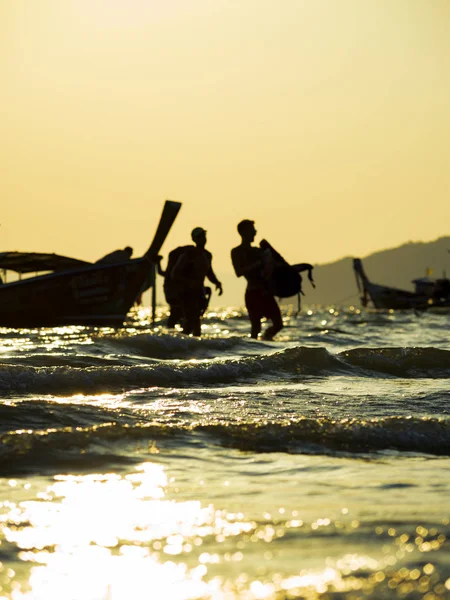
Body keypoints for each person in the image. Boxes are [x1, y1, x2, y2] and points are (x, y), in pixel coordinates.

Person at [231, 219, 283, 340]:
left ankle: (266, 342)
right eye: (252, 230)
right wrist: (258, 263)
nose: (255, 233)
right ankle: (253, 352)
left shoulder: (258, 251)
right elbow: (239, 272)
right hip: (252, 293)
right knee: (256, 328)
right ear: (243, 232)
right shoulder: (236, 252)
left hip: (266, 292)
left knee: (278, 324)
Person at [170, 227, 223, 336]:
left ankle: (186, 344)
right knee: (193, 321)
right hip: (187, 293)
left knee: (192, 321)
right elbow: (174, 274)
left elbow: (209, 272)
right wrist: (188, 282)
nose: (202, 239)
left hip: (199, 292)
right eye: (199, 237)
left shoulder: (207, 255)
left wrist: (217, 283)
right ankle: (189, 345)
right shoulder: (188, 254)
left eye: (203, 236)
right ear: (194, 239)